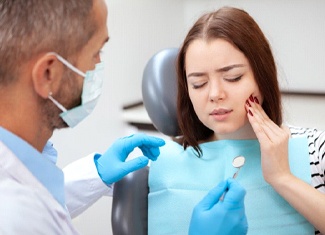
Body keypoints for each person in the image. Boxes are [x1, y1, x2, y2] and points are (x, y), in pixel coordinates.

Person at [0, 1, 244, 234]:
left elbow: (44, 199)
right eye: (96, 52)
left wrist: (97, 173)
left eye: (233, 77)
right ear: (48, 74)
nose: (99, 65)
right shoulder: (16, 216)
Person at [148, 6, 325, 235]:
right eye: (198, 83)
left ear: (262, 76)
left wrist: (283, 178)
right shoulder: (158, 163)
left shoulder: (316, 148)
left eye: (233, 77)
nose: (215, 94)